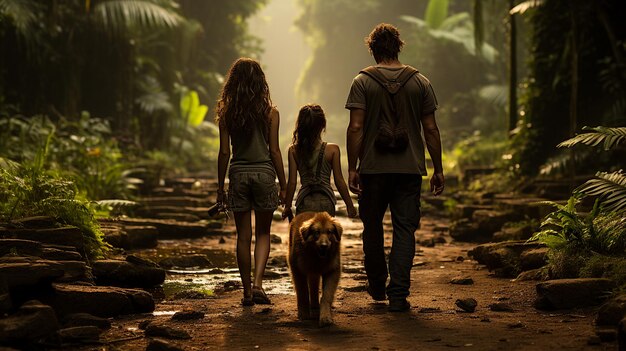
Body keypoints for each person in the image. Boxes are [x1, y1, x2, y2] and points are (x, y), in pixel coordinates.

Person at [345, 23, 444, 312]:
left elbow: (355, 127)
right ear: (398, 47)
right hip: (409, 169)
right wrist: (437, 168)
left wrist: (352, 167)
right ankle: (398, 295)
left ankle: (377, 285)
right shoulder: (421, 82)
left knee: (372, 227)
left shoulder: (361, 82)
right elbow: (431, 129)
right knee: (404, 230)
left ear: (373, 50)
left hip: (373, 169)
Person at [215, 57, 287, 306]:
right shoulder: (270, 113)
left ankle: (246, 291)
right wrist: (285, 184)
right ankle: (258, 285)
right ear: (261, 82)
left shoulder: (227, 113)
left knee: (243, 236)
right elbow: (275, 151)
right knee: (264, 232)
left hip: (238, 175)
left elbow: (224, 152)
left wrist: (220, 187)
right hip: (265, 174)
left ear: (233, 83)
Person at [282, 104, 357, 220]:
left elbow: (292, 182)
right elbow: (339, 181)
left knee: (306, 237)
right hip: (326, 202)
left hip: (304, 201)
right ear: (323, 125)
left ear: (301, 126)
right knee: (324, 238)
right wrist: (349, 205)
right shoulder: (333, 150)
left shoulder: (293, 151)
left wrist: (287, 206)